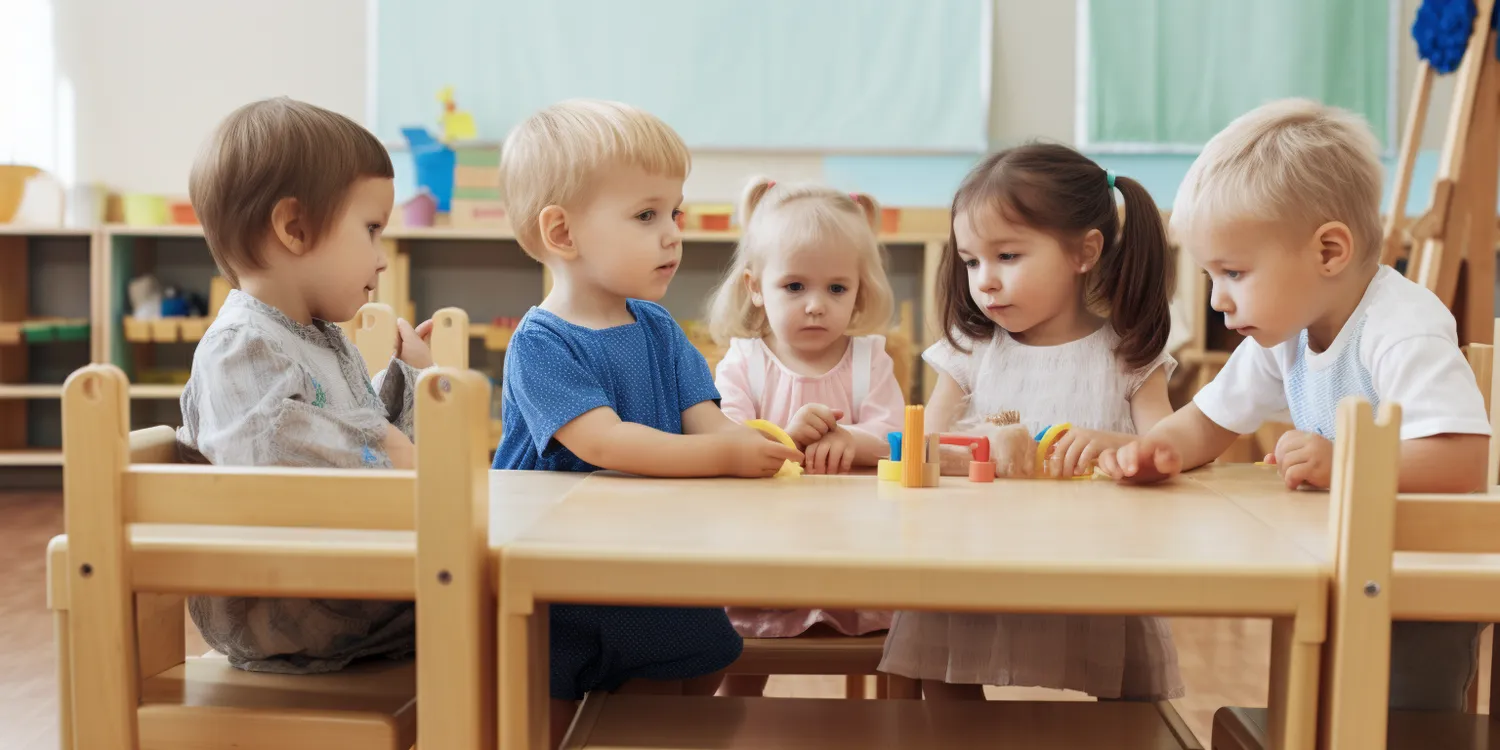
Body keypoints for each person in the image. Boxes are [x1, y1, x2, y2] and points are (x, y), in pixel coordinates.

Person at [1100, 98, 1492, 711]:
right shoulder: (1286, 333)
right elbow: (1208, 422)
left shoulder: (1401, 326)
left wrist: (1345, 463)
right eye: (1210, 277)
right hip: (1335, 569)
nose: (1218, 301)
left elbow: (1463, 460)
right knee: (1318, 712)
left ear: (1329, 252)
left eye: (1232, 272)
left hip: (1415, 585)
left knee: (1401, 724)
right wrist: (1156, 450)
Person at [879, 143, 1182, 702]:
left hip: (1094, 569)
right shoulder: (970, 350)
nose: (984, 281)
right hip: (973, 563)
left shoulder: (1127, 355)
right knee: (939, 680)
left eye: (1008, 257)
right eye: (971, 261)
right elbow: (925, 444)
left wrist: (1115, 446)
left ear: (1084, 252)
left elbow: (1172, 449)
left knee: (1131, 703)